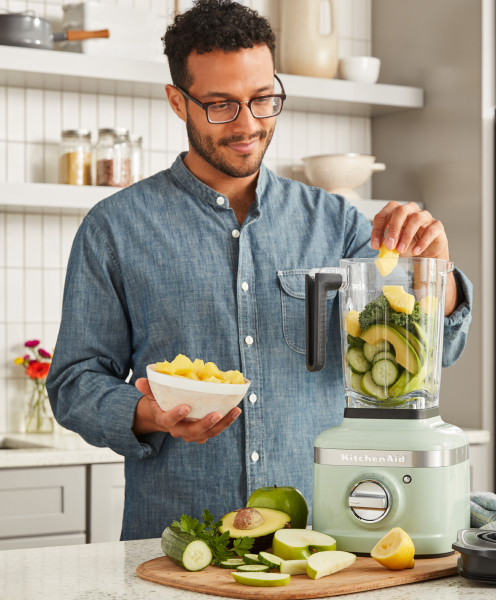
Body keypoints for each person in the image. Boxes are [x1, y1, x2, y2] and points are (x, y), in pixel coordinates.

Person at [47, 0, 472, 541]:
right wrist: (149, 413)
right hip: (178, 541)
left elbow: (419, 355)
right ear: (178, 102)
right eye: (221, 105)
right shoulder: (115, 228)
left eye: (263, 99)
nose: (248, 125)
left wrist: (440, 280)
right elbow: (73, 383)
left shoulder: (338, 223)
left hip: (320, 540)